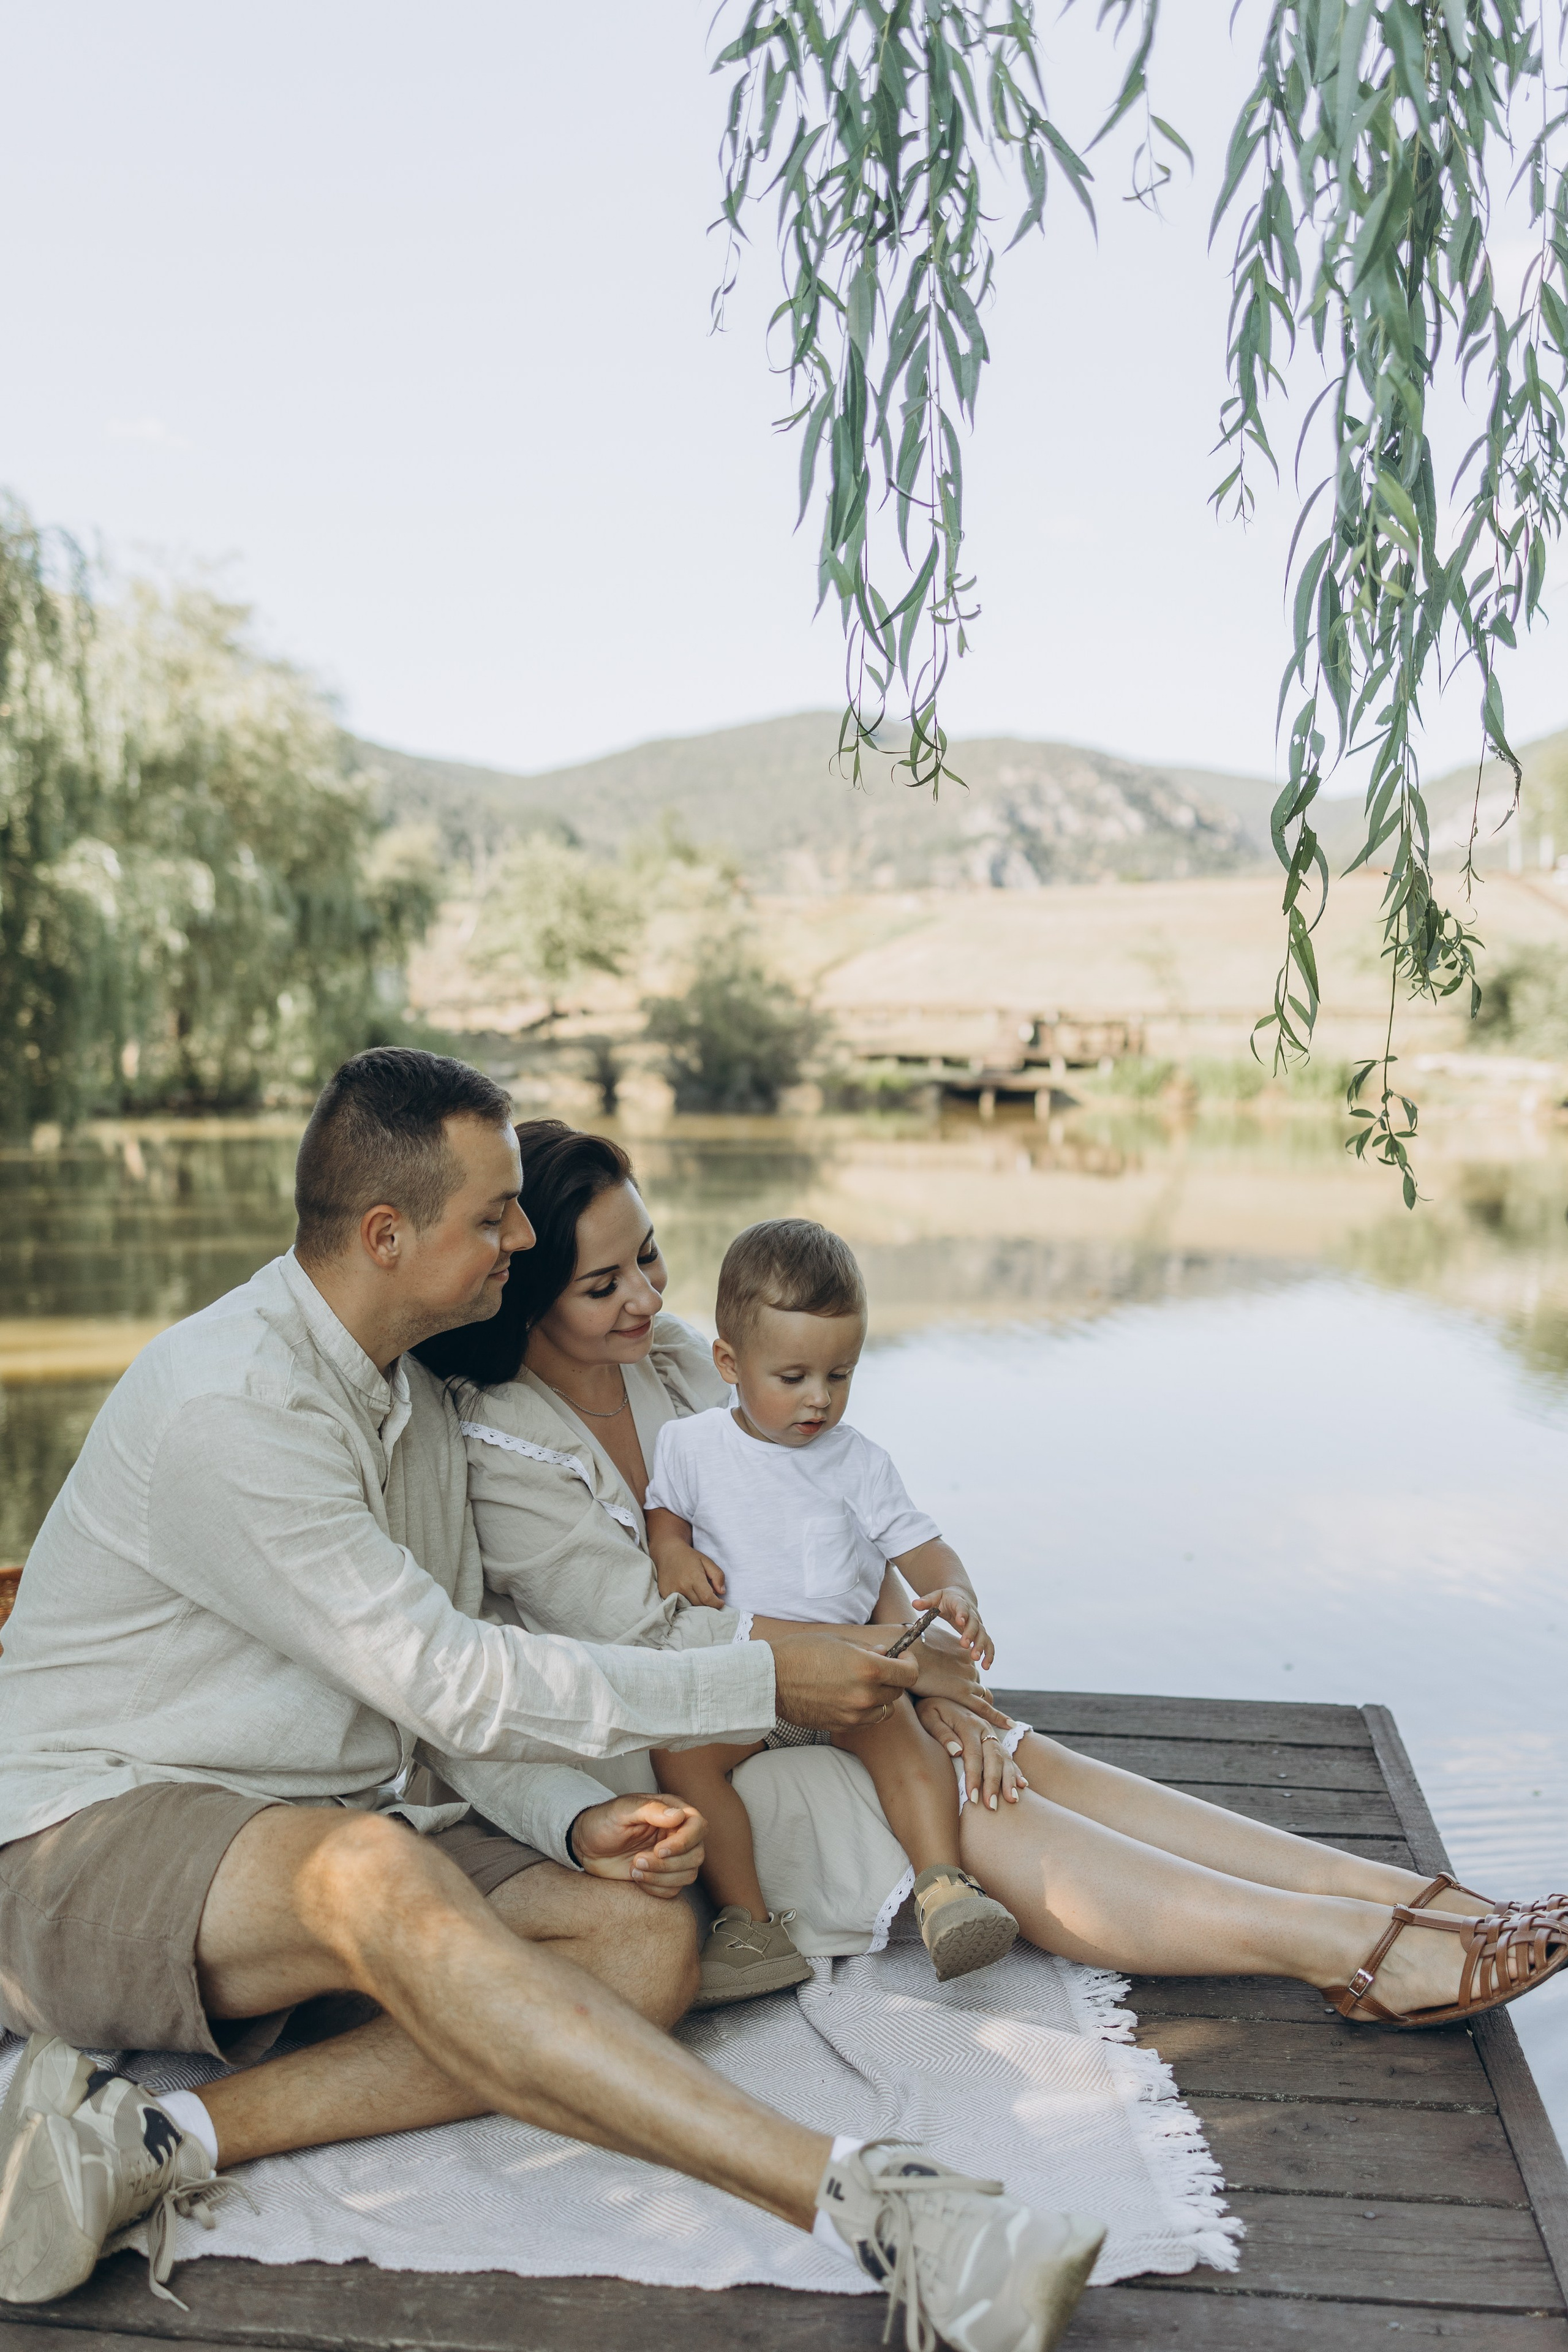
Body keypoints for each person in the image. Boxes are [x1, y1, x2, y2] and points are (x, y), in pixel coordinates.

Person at [0, 1050, 1107, 2352]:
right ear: (384, 1233)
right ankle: (879, 2208)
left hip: (290, 1818)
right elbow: (452, 1676)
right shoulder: (233, 1406)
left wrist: (569, 1825)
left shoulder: (412, 1399)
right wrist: (758, 1672)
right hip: (80, 1840)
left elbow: (449, 1696)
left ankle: (155, 2137)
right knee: (364, 1872)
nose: (522, 1241)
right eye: (495, 1217)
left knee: (644, 1945)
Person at [422, 1119, 1568, 2037]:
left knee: (1024, 1754)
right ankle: (1350, 1956)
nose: (646, 1296)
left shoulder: (681, 1356)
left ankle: (1402, 1901)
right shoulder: (503, 1448)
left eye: (651, 1256)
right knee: (988, 1800)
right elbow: (654, 1636)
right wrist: (901, 1671)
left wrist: (918, 1656)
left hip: (818, 1676)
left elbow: (830, 1521)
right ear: (530, 1302)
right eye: (603, 1284)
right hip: (679, 1738)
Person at [644, 1217, 1021, 1996]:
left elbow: (923, 1546)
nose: (819, 1400)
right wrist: (672, 1551)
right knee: (682, 1755)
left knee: (903, 1744)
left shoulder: (860, 1464)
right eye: (793, 1378)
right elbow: (664, 1511)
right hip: (756, 1678)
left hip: (852, 1676)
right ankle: (747, 1925)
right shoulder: (691, 1447)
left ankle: (944, 1887)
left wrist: (955, 1591)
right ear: (728, 1362)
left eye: (840, 1375)